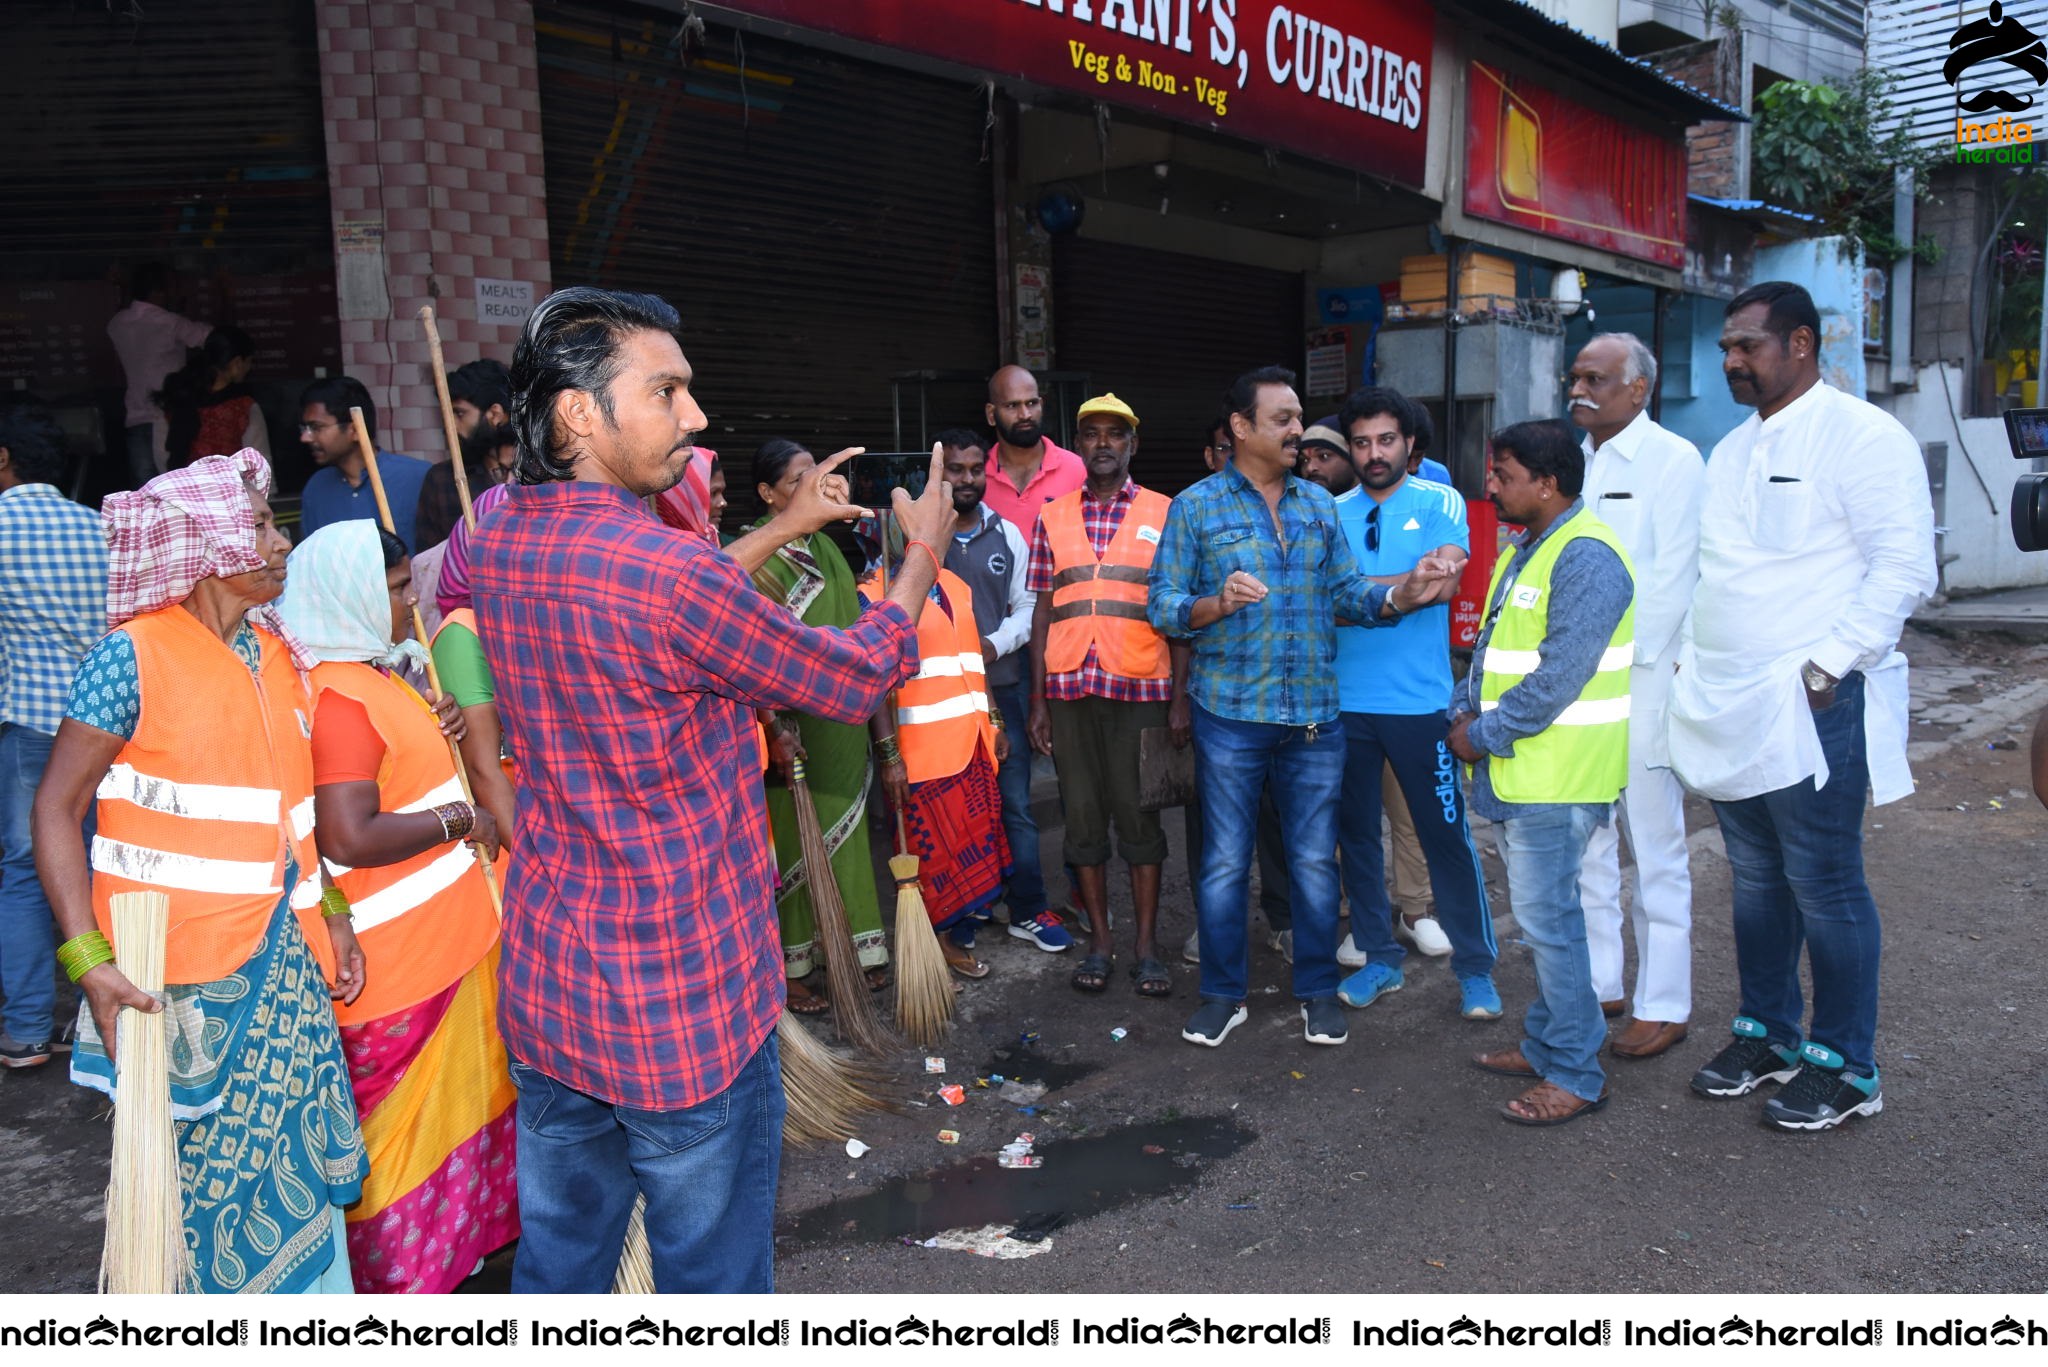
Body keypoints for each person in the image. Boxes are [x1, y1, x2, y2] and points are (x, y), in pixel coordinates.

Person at [471, 287, 953, 1292]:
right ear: (578, 414)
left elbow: (681, 615)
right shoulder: (664, 572)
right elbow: (851, 673)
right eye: (667, 390)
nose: (694, 417)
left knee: (561, 1263)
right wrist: (918, 556)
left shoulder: (498, 537)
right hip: (681, 1007)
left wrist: (780, 524)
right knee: (712, 1284)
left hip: (554, 986)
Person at [32, 449, 366, 1292]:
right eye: (259, 524)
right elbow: (52, 810)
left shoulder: (273, 649)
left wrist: (332, 908)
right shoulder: (131, 657)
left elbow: (294, 813)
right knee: (192, 1196)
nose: (281, 542)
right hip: (174, 984)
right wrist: (88, 963)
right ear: (209, 543)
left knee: (297, 1178)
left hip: (280, 969)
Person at [1670, 282, 1935, 1132]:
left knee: (1824, 882)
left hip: (1810, 701)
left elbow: (1904, 567)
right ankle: (1769, 1033)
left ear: (1804, 344)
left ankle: (1847, 1064)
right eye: (1727, 348)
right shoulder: (1730, 449)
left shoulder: (1862, 436)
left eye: (1747, 346)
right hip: (1727, 700)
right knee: (1754, 878)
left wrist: (1827, 667)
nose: (1732, 361)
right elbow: (1717, 571)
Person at [1148, 365, 1457, 1050]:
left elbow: (1345, 591)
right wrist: (1215, 603)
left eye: (1297, 418)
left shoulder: (1319, 505)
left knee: (1317, 860)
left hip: (1316, 716)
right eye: (1284, 419)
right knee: (1227, 860)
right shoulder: (1195, 507)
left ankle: (1316, 990)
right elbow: (1163, 604)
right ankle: (1224, 994)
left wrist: (1401, 595)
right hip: (1230, 714)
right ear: (1240, 427)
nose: (1299, 431)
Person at [279, 521, 516, 1293]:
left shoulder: (372, 675)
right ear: (348, 595)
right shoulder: (339, 696)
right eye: (392, 589)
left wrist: (431, 722)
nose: (407, 600)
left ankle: (449, 1273)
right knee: (400, 1163)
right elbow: (349, 833)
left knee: (458, 1142)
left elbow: (404, 771)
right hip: (402, 966)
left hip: (447, 945)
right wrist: (463, 820)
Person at [1451, 420, 1635, 1127]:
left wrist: (1482, 734)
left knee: (1553, 927)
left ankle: (1576, 1073)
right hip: (1523, 774)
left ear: (1547, 482)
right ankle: (1550, 1041)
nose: (1490, 485)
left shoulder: (1587, 557)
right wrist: (1462, 712)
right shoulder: (1531, 548)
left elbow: (1559, 675)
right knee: (1544, 923)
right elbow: (1494, 649)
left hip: (1558, 779)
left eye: (1503, 474)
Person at [1300, 393, 1501, 1023]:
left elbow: (1445, 581)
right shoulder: (1331, 513)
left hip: (1418, 706)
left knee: (1445, 836)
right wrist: (1399, 587)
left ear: (1409, 444)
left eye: (1385, 441)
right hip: (1344, 705)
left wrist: (1375, 591)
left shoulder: (1439, 500)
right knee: (1355, 838)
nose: (1373, 454)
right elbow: (1323, 600)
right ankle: (1382, 959)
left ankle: (1476, 970)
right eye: (1361, 443)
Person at [1567, 332, 1705, 1058]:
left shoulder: (1673, 462)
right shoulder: (1578, 462)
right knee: (1588, 841)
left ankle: (1665, 1001)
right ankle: (1600, 981)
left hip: (1642, 681)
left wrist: (1603, 660)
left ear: (1640, 388)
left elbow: (1673, 581)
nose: (1579, 388)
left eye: (1596, 377)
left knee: (1654, 846)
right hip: (1580, 688)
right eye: (1575, 376)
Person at [1026, 394, 1180, 993]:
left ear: (1132, 445)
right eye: (1091, 435)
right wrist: (1037, 701)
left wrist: (1181, 698)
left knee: (1140, 822)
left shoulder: (1166, 513)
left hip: (1140, 687)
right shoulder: (1052, 515)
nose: (1104, 444)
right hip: (1069, 691)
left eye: (1115, 435)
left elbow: (1180, 613)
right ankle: (1101, 941)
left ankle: (1145, 946)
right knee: (1082, 823)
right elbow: (1042, 610)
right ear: (1079, 446)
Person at [743, 438, 893, 1009]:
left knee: (849, 839)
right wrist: (774, 728)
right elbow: (750, 655)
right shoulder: (760, 554)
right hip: (788, 730)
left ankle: (852, 953)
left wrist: (887, 746)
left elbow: (860, 642)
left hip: (841, 729)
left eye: (822, 474)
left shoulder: (830, 550)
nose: (819, 486)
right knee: (791, 846)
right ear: (768, 494)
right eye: (800, 479)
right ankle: (792, 965)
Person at [0, 400, 107, 1068]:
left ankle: (28, 1029)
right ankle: (99, 1024)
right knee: (96, 870)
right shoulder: (97, 527)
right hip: (102, 729)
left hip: (33, 727)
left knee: (21, 870)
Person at [933, 427, 1061, 953]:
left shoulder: (1007, 534)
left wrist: (990, 644)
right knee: (956, 811)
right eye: (954, 471)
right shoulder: (918, 540)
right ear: (937, 477)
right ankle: (968, 907)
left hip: (1002, 691)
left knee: (1015, 806)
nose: (965, 480)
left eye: (972, 470)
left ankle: (1027, 909)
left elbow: (1030, 608)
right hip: (939, 703)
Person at [868, 529, 1014, 966]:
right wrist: (889, 756)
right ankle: (932, 947)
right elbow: (873, 684)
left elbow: (971, 657)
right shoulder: (874, 594)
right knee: (931, 863)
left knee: (974, 849)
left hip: (972, 746)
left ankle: (957, 934)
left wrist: (995, 718)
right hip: (921, 758)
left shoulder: (956, 586)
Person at [1182, 411, 1294, 967]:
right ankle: (1213, 928)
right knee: (1215, 828)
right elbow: (1172, 609)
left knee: (1276, 819)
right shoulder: (1196, 511)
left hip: (1284, 702)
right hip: (1221, 703)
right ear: (1214, 454)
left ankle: (1282, 918)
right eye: (1225, 449)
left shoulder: (1298, 508)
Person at [431, 481, 518, 843]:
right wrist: (547, 872)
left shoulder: (527, 617)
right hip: (523, 834)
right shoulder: (463, 636)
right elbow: (484, 771)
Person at [298, 376, 431, 552]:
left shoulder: (418, 477)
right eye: (304, 428)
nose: (305, 437)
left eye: (316, 427)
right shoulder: (316, 488)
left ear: (354, 429)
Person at [108, 261, 211, 486]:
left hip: (135, 414)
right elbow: (210, 338)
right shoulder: (170, 322)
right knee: (176, 486)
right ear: (158, 291)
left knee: (145, 490)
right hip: (168, 415)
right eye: (172, 288)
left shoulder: (117, 323)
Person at [415, 357, 515, 553]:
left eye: (459, 413)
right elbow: (428, 563)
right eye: (447, 415)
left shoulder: (540, 473)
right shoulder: (442, 479)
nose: (449, 425)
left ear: (495, 414)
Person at [981, 364, 1084, 538]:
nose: (1025, 414)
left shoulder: (1077, 470)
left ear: (1041, 405)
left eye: (1031, 403)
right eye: (1012, 406)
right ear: (991, 415)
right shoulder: (975, 476)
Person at [156, 325, 269, 470]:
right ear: (237, 363)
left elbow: (163, 458)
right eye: (249, 362)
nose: (249, 368)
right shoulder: (243, 407)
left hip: (181, 489)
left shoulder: (175, 399)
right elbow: (259, 463)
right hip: (230, 490)